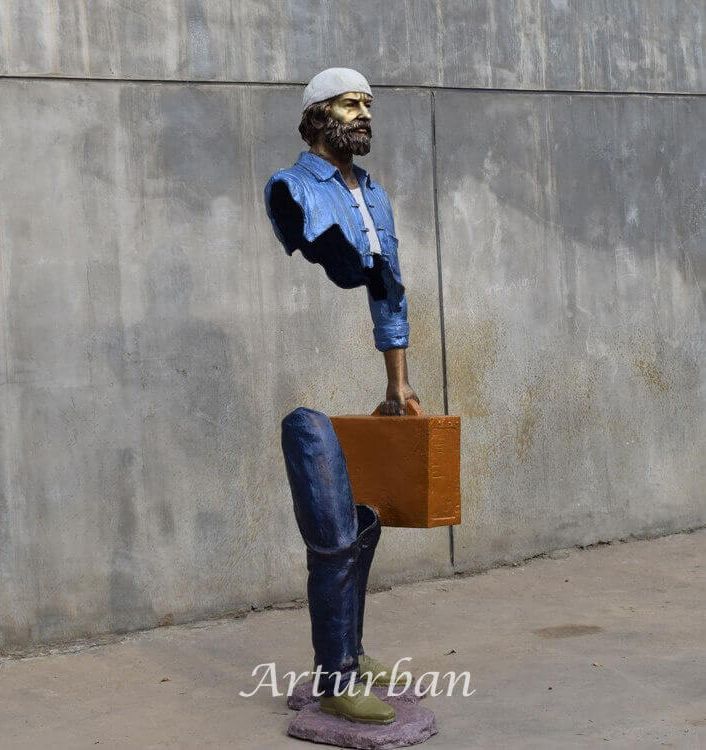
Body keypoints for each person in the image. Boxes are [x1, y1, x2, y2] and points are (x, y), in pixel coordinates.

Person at [265, 68, 417, 724]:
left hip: (358, 385)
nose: (364, 114)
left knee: (363, 523)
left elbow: (389, 287)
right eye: (351, 103)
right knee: (330, 537)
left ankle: (351, 649)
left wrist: (397, 381)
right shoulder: (291, 189)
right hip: (299, 388)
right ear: (318, 113)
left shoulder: (375, 194)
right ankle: (334, 678)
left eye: (368, 104)